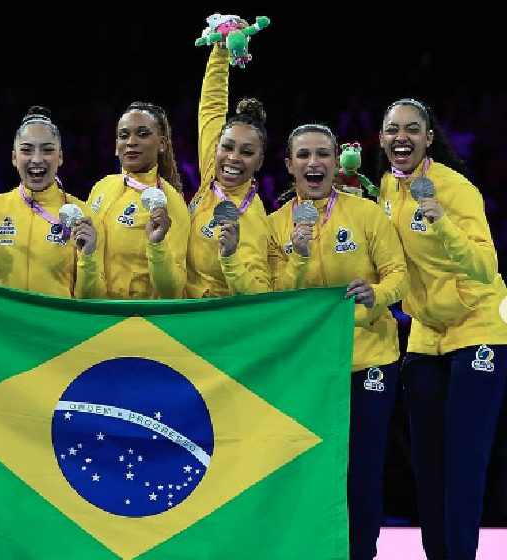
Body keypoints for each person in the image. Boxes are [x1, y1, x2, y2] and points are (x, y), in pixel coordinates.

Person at [268, 124, 409, 560]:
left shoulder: (366, 215)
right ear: (289, 166)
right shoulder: (275, 227)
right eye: (304, 156)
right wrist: (296, 256)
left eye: (323, 155)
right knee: (309, 468)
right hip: (309, 367)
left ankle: (361, 552)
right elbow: (274, 298)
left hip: (370, 360)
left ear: (336, 162)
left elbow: (398, 276)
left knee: (363, 469)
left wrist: (377, 294)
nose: (315, 164)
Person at [376, 97, 507, 560]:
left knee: (464, 458)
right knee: (427, 462)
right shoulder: (386, 190)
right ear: (382, 139)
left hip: (478, 327)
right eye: (393, 129)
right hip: (427, 332)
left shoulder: (454, 188)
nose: (401, 138)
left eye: (412, 129)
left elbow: (485, 267)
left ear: (429, 138)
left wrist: (442, 222)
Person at [0, 106, 103, 298]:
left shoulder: (84, 216)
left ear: (60, 157)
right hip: (3, 326)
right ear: (14, 158)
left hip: (55, 326)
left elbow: (92, 300)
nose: (37, 159)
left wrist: (88, 258)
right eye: (26, 150)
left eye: (47, 150)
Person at [186, 36, 271, 297]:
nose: (233, 157)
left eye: (246, 152)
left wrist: (231, 258)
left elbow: (261, 295)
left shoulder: (253, 219)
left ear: (259, 162)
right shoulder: (212, 171)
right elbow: (211, 108)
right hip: (180, 311)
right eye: (227, 147)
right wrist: (221, 49)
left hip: (216, 326)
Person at [86, 101, 189, 299]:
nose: (131, 142)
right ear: (116, 147)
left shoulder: (170, 203)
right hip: (95, 314)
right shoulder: (101, 187)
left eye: (143, 134)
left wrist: (157, 247)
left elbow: (172, 291)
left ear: (162, 145)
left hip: (137, 319)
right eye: (123, 135)